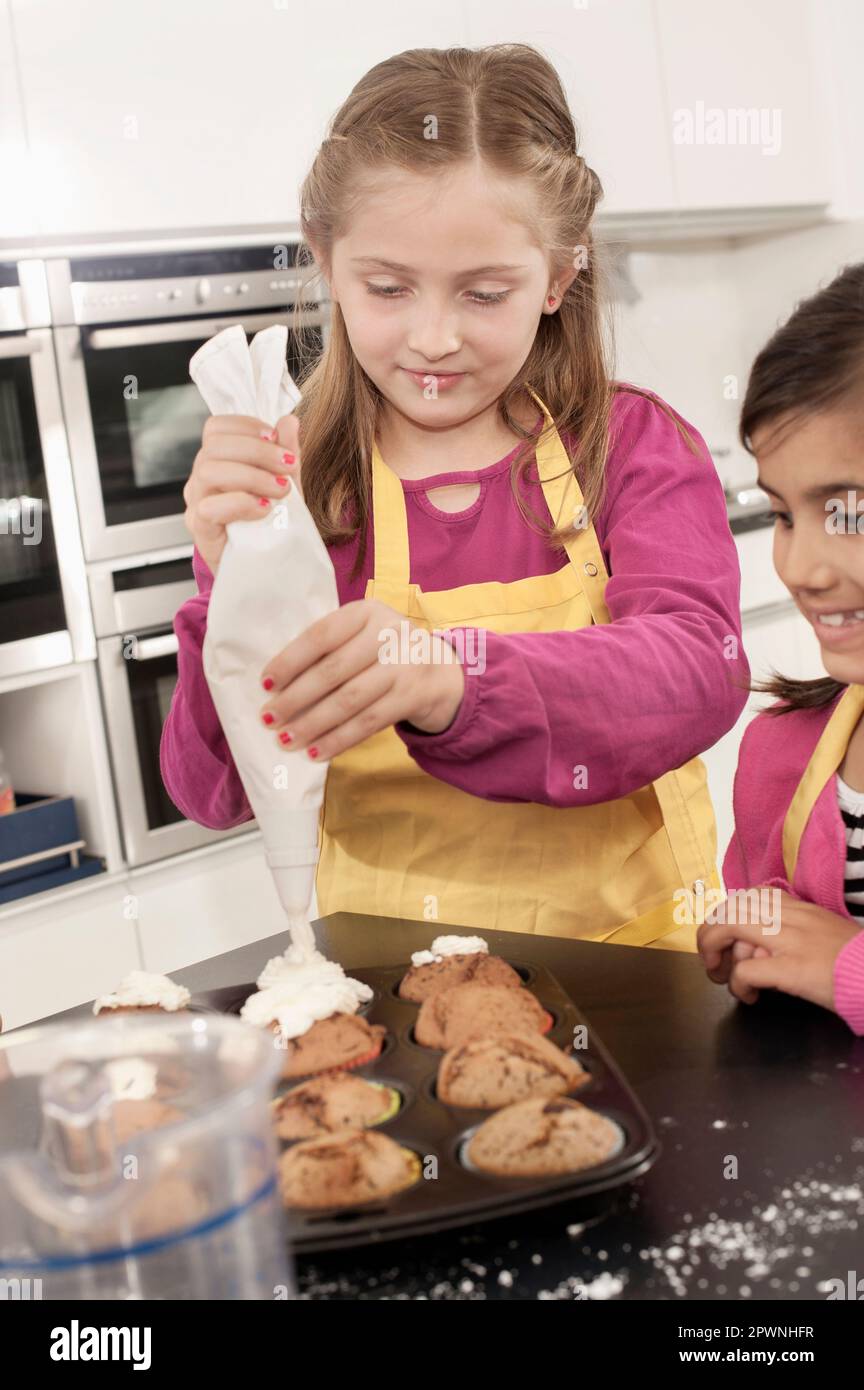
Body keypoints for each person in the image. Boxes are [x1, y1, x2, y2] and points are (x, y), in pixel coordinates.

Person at [162, 44, 748, 945]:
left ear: (558, 277)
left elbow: (696, 675)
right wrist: (226, 579)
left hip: (642, 980)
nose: (433, 338)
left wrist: (449, 678)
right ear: (327, 264)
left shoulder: (629, 448)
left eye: (483, 293)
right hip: (394, 997)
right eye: (387, 287)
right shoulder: (301, 486)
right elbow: (214, 791)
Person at [698, 262, 864, 1033]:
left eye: (849, 514)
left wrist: (845, 967)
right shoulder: (781, 757)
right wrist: (751, 945)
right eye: (783, 516)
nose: (801, 569)